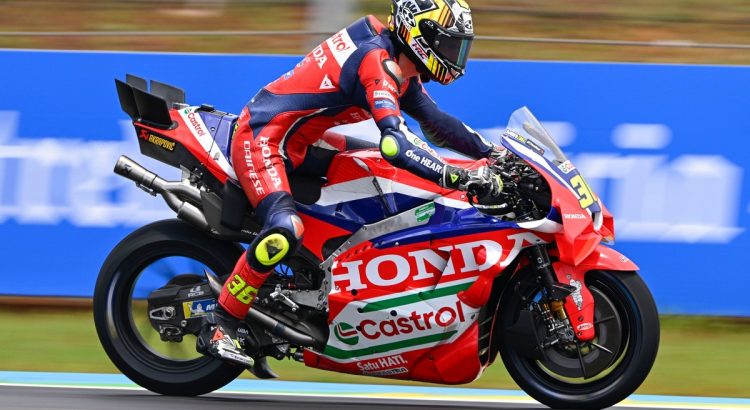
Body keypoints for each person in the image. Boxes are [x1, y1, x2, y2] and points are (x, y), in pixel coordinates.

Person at [197, 0, 505, 368]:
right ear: (420, 35)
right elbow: (396, 144)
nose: (455, 55)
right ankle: (221, 322)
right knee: (285, 230)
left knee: (375, 174)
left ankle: (324, 281)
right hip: (264, 139)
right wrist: (456, 176)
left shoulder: (399, 64)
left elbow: (437, 122)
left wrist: (493, 153)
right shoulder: (376, 61)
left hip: (303, 142)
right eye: (450, 44)